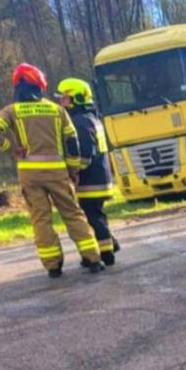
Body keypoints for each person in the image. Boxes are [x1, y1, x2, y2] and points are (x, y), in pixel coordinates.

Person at [0, 63, 104, 277]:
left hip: (30, 174)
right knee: (73, 213)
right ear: (40, 86)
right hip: (58, 172)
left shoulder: (12, 111)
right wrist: (74, 169)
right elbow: (72, 141)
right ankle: (93, 258)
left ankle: (53, 265)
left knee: (41, 219)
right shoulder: (56, 110)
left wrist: (11, 148)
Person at [57, 77, 119, 266]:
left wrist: (74, 171)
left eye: (65, 99)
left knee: (92, 216)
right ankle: (109, 245)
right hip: (100, 175)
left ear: (76, 98)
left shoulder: (79, 121)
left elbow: (85, 153)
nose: (62, 103)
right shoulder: (91, 118)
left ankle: (106, 253)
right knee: (96, 215)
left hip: (90, 179)